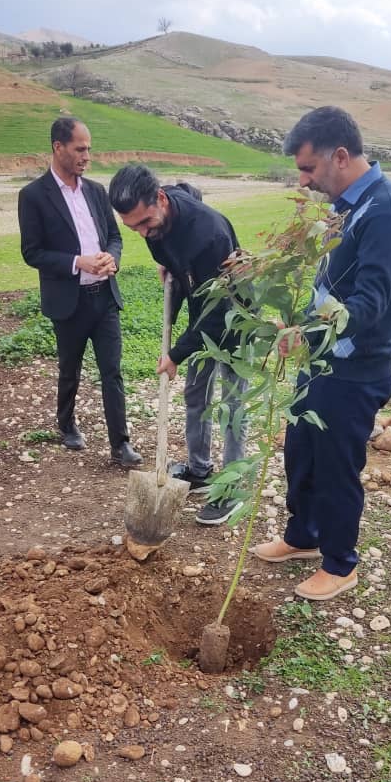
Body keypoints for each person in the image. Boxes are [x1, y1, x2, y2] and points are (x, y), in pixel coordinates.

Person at [251, 106, 391, 601]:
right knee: (302, 450)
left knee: (336, 464)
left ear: (340, 157)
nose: (303, 181)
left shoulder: (386, 213)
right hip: (321, 358)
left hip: (354, 367)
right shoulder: (346, 205)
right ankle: (304, 536)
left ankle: (342, 562)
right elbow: (328, 278)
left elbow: (370, 302)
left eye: (309, 169)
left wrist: (309, 333)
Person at [108, 164, 247, 525]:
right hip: (203, 311)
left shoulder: (209, 235)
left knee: (232, 405)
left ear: (160, 200)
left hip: (236, 318)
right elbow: (187, 188)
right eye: (132, 227)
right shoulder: (161, 211)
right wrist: (171, 266)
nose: (141, 233)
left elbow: (219, 316)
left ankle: (231, 489)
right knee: (196, 394)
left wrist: (174, 354)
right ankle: (199, 469)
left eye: (145, 223)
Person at [17, 117, 142, 467]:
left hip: (104, 297)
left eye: (89, 149)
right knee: (69, 368)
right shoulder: (32, 196)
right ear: (59, 147)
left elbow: (114, 237)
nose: (87, 156)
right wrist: (77, 262)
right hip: (68, 301)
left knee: (112, 371)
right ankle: (67, 424)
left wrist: (110, 259)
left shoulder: (97, 192)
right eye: (80, 149)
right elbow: (32, 252)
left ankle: (120, 445)